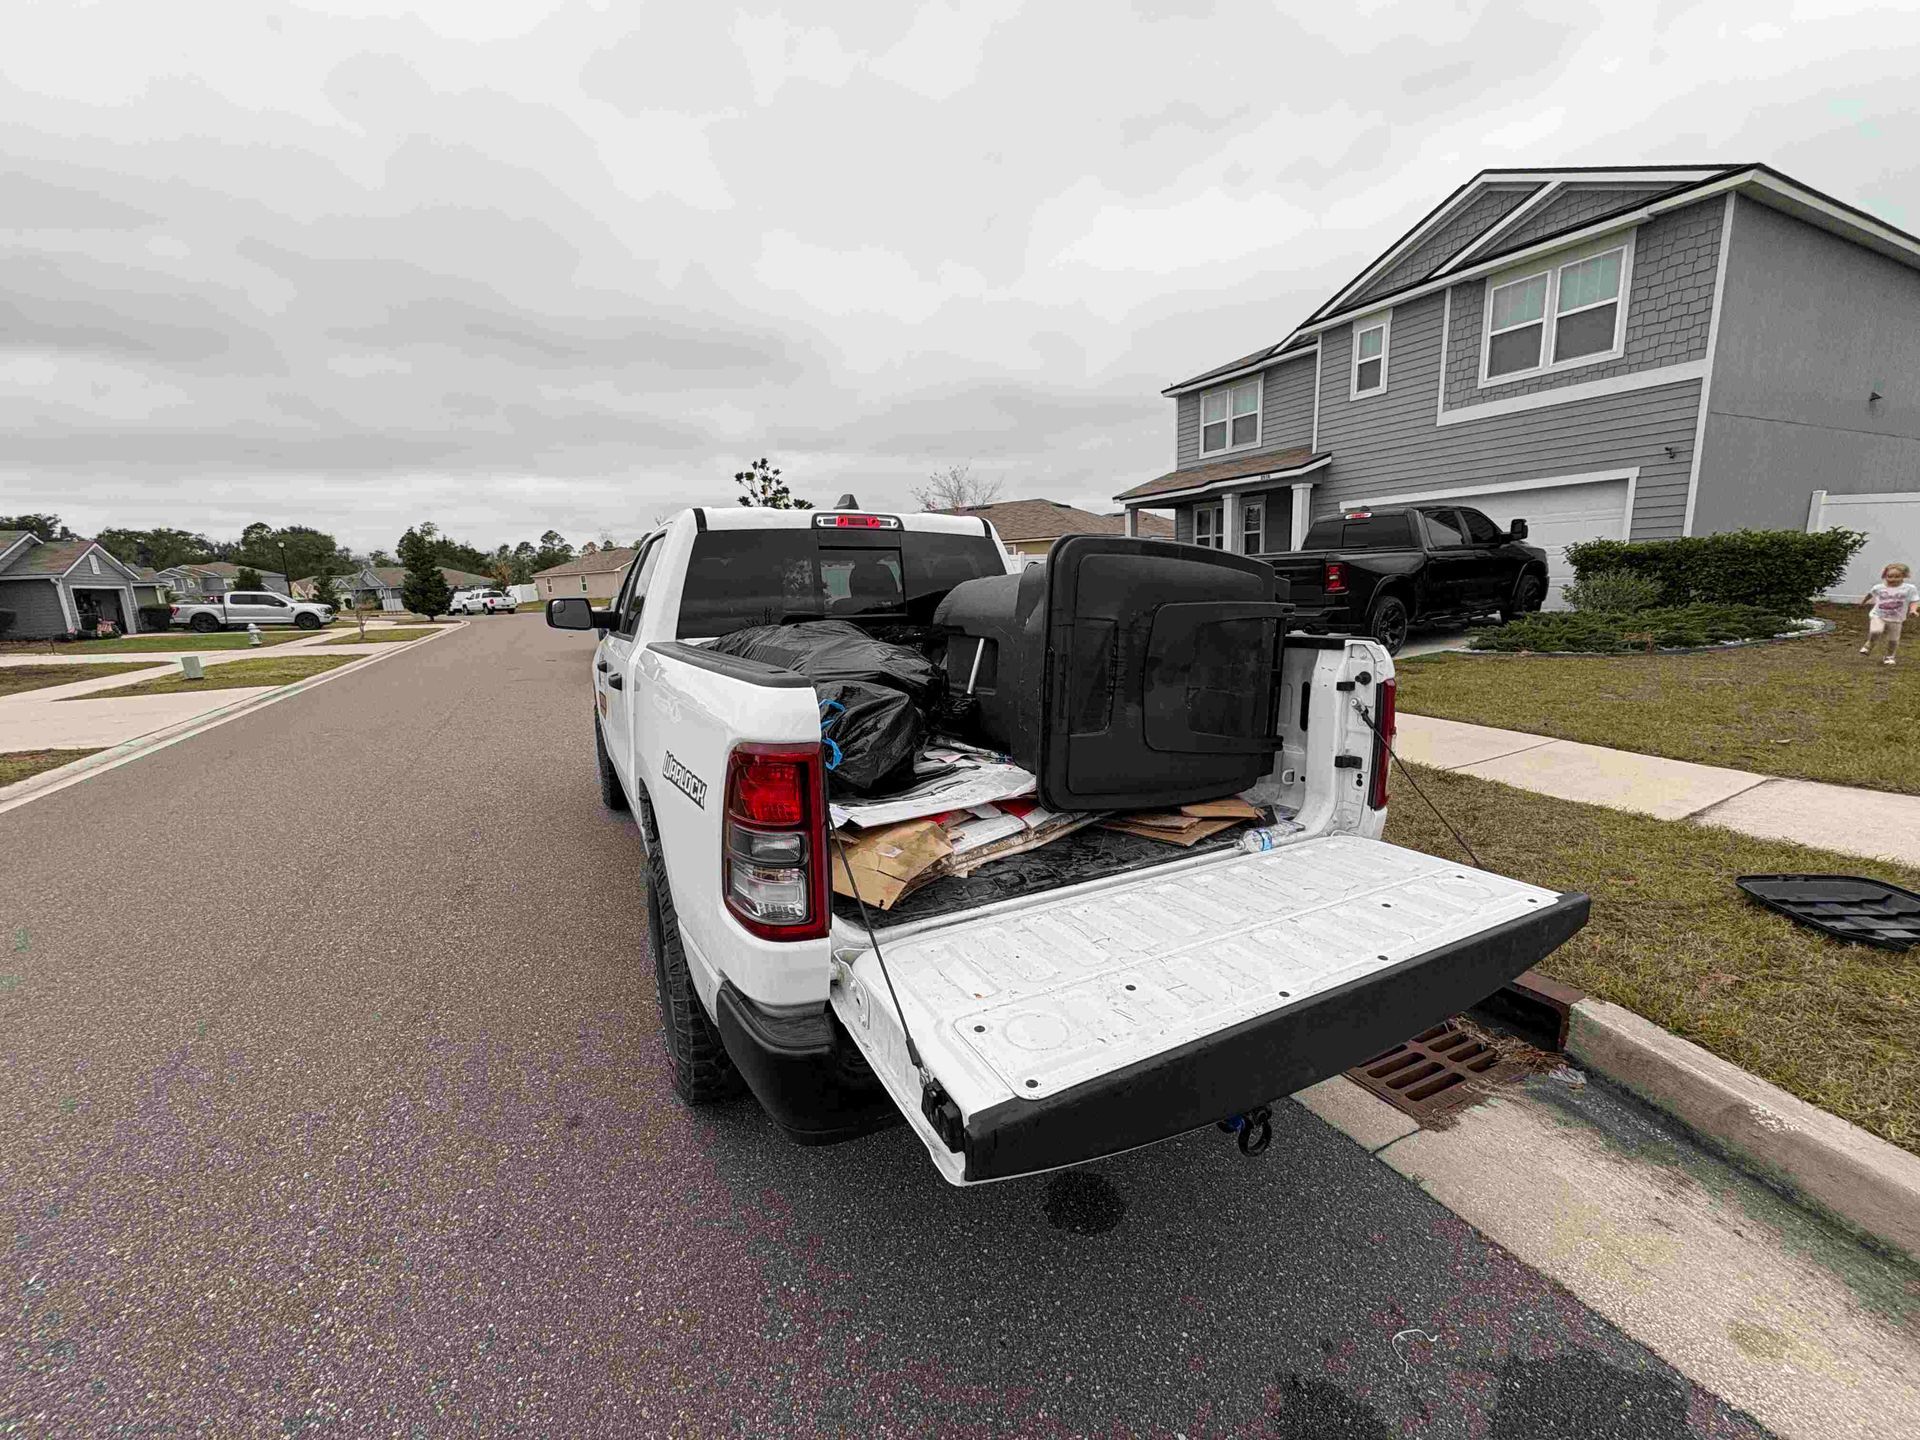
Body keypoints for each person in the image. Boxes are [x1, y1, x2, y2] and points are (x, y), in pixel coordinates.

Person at [1860, 561, 1919, 666]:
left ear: (1904, 576)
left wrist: (1913, 610)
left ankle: (1889, 657)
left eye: (1897, 577)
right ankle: (1869, 644)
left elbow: (1914, 600)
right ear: (1885, 576)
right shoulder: (1879, 587)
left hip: (1896, 618)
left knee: (1893, 639)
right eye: (1890, 576)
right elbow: (1870, 594)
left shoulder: (1909, 588)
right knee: (1876, 631)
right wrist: (1863, 602)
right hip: (1878, 615)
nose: (1893, 579)